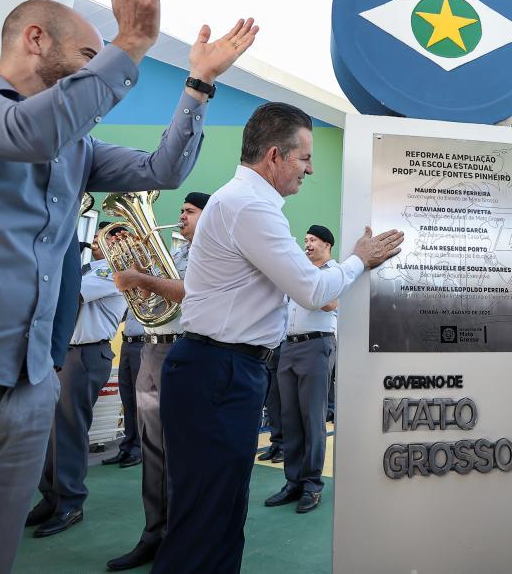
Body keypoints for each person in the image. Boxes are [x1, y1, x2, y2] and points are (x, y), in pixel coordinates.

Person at [0, 0, 257, 571]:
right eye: (88, 57)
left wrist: (199, 86)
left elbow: (164, 170)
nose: (100, 72)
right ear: (35, 39)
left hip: (24, 391)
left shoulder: (76, 145)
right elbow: (25, 132)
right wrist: (130, 43)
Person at [152, 102, 403, 574]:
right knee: (207, 514)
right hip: (220, 371)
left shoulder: (243, 202)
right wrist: (359, 259)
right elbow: (312, 289)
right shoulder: (250, 207)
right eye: (304, 157)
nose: (310, 168)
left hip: (221, 368)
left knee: (219, 509)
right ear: (274, 156)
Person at [105, 191, 209, 571]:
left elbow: (188, 294)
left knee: (179, 452)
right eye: (180, 210)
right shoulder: (177, 252)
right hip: (152, 348)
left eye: (190, 211)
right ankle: (153, 534)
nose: (181, 216)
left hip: (182, 348)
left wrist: (140, 276)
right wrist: (132, 267)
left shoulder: (211, 251)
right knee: (152, 449)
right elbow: (146, 293)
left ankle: (180, 538)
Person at [28, 223, 129, 537]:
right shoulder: (88, 268)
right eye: (96, 235)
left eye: (106, 236)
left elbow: (71, 294)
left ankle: (70, 502)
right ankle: (51, 496)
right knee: (52, 431)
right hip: (66, 352)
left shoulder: (112, 271)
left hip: (85, 354)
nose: (97, 240)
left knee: (69, 430)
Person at [264, 224, 340, 514]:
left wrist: (302, 277)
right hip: (290, 346)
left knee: (312, 417)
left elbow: (329, 303)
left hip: (317, 345)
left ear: (327, 245)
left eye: (313, 240)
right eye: (305, 240)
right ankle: (293, 481)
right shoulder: (300, 272)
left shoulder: (333, 272)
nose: (307, 244)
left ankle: (312, 484)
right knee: (290, 417)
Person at [105, 309, 145, 468]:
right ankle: (126, 446)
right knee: (127, 398)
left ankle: (139, 448)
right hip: (127, 343)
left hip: (143, 343)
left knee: (139, 400)